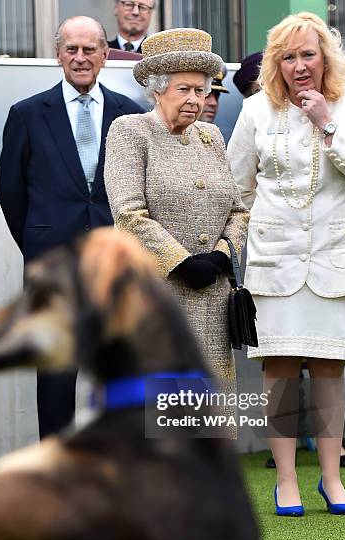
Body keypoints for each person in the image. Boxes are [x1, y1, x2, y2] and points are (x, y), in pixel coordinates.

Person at [227, 12, 345, 516]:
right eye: (288, 57)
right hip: (274, 261)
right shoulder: (254, 109)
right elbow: (238, 187)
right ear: (277, 63)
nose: (299, 66)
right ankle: (288, 481)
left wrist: (325, 121)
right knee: (279, 371)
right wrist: (254, 234)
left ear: (325, 58)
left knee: (330, 370)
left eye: (308, 55)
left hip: (332, 259)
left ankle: (332, 479)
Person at [0, 16, 143, 439]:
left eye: (90, 49)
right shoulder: (26, 114)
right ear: (58, 54)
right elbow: (11, 193)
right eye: (71, 50)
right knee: (57, 382)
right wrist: (38, 242)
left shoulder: (129, 114)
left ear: (104, 54)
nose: (80, 58)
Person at [104, 28, 248, 385]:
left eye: (201, 90)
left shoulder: (211, 136)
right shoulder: (131, 131)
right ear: (156, 89)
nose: (195, 100)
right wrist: (181, 262)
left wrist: (221, 254)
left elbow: (238, 210)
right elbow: (128, 212)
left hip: (213, 295)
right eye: (183, 89)